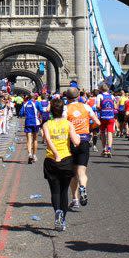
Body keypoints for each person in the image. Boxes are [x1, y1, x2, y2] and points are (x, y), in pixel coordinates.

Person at [42, 98, 80, 231]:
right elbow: (76, 142)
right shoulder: (68, 124)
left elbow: (46, 139)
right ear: (62, 110)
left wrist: (55, 153)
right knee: (64, 191)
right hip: (66, 160)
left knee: (54, 191)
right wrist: (79, 138)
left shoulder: (47, 125)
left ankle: (57, 211)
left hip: (51, 160)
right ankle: (62, 220)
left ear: (51, 111)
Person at [64, 87, 99, 208]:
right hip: (84, 141)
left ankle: (75, 199)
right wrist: (88, 129)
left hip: (71, 142)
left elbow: (63, 126)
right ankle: (83, 187)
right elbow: (97, 122)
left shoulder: (65, 109)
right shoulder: (86, 107)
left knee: (73, 173)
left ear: (67, 98)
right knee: (82, 171)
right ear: (78, 96)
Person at [95, 84, 117, 157]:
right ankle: (109, 149)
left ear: (101, 89)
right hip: (111, 116)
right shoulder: (112, 96)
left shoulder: (99, 96)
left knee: (102, 133)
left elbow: (97, 106)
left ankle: (104, 149)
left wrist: (101, 109)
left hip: (103, 117)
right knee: (110, 133)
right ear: (108, 89)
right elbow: (115, 106)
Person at [21, 94, 41, 164]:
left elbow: (21, 113)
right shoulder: (37, 103)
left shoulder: (25, 103)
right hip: (35, 122)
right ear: (35, 97)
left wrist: (26, 114)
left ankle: (29, 154)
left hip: (28, 122)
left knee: (29, 139)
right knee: (35, 139)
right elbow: (41, 110)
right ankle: (34, 155)